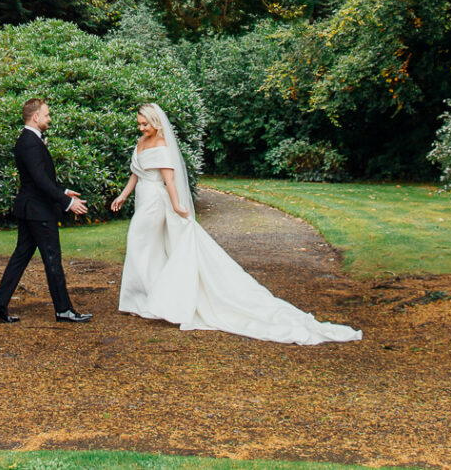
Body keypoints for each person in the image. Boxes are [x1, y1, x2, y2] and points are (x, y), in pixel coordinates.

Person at [111, 101, 360, 345]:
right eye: (140, 124)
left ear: (155, 123)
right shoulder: (141, 143)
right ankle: (144, 299)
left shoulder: (162, 145)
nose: (141, 128)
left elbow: (170, 181)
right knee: (146, 249)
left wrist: (177, 206)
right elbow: (136, 173)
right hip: (142, 200)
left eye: (145, 124)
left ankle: (148, 300)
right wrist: (123, 196)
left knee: (140, 244)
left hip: (155, 203)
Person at [0, 97, 93, 323]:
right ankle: (63, 309)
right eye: (47, 115)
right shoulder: (28, 142)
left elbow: (40, 179)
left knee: (21, 257)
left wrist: (64, 192)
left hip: (30, 209)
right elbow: (40, 182)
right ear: (36, 117)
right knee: (52, 259)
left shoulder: (29, 140)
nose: (49, 119)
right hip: (38, 211)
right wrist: (67, 203)